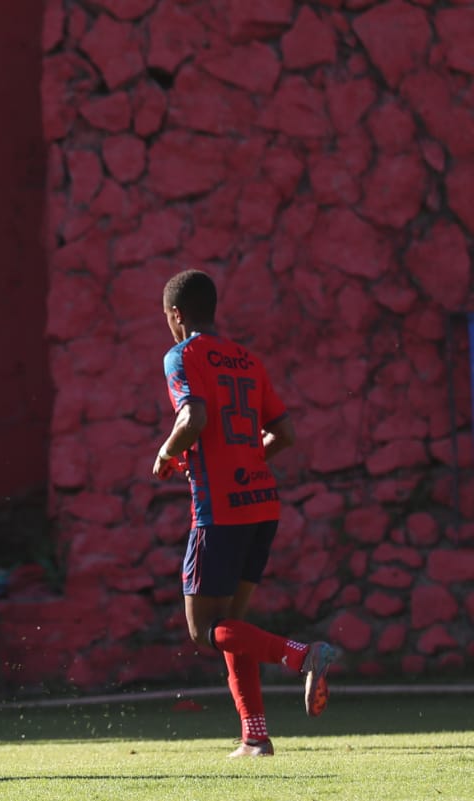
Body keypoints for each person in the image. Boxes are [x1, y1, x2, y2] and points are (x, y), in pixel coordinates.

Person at [152, 270, 340, 758]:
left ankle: (303, 656)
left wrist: (168, 452)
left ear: (176, 315)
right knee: (235, 626)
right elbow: (284, 433)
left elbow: (193, 417)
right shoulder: (247, 360)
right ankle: (255, 737)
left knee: (202, 631)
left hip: (220, 511)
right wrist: (248, 459)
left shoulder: (181, 356)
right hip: (261, 504)